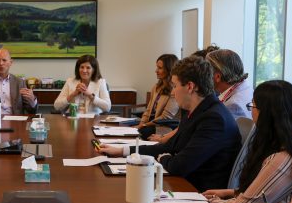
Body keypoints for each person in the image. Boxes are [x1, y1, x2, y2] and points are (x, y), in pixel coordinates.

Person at [96, 56, 241, 192]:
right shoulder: (192, 110)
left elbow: (180, 165)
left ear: (190, 87)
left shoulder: (214, 119)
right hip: (181, 182)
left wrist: (163, 157)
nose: (172, 91)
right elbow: (169, 147)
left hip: (198, 194)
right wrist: (122, 151)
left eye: (175, 85)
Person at [137, 53, 180, 139]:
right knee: (134, 131)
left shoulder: (175, 90)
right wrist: (141, 123)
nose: (156, 71)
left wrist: (145, 125)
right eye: (157, 67)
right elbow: (148, 110)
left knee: (139, 133)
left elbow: (166, 117)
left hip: (163, 128)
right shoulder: (156, 87)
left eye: (160, 68)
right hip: (150, 125)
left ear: (169, 70)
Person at [207, 49, 253, 119]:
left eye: (206, 71)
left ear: (218, 77)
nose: (204, 76)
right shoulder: (246, 87)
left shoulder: (233, 106)